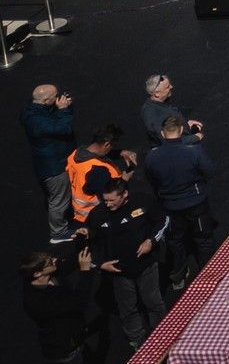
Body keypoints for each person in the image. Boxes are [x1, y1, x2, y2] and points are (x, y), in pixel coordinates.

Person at [87, 179, 168, 346]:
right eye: (105, 200)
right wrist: (100, 264)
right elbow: (89, 245)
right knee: (127, 307)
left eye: (111, 200)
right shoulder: (97, 215)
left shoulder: (143, 201)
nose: (107, 204)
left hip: (146, 264)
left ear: (124, 195)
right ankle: (136, 339)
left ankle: (163, 333)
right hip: (118, 270)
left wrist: (151, 241)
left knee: (153, 300)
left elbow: (163, 221)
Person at [143, 114, 215, 290]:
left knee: (175, 241)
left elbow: (151, 179)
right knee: (203, 239)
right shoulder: (193, 151)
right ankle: (208, 276)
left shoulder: (152, 157)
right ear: (182, 130)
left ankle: (178, 276)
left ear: (162, 132)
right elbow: (209, 171)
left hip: (170, 205)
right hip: (196, 203)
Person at [20, 83, 76, 244]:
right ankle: (58, 233)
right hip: (54, 166)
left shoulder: (33, 109)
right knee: (58, 199)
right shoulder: (37, 122)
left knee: (58, 197)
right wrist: (64, 110)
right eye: (54, 96)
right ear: (45, 100)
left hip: (53, 160)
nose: (58, 98)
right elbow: (64, 128)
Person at [65, 123, 133, 232]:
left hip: (79, 216)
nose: (112, 149)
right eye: (113, 146)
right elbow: (111, 193)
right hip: (96, 218)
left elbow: (96, 154)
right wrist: (125, 179)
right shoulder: (99, 171)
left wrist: (120, 152)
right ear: (107, 144)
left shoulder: (76, 154)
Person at [141, 73, 204, 147]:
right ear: (157, 93)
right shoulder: (151, 114)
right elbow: (168, 141)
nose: (171, 87)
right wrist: (195, 137)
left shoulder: (159, 103)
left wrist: (185, 123)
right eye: (167, 87)